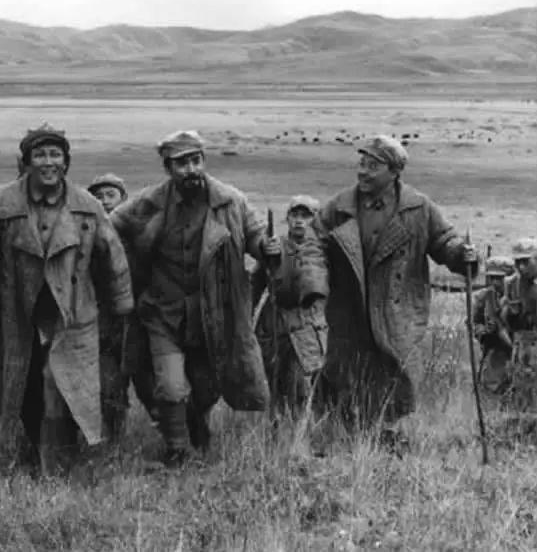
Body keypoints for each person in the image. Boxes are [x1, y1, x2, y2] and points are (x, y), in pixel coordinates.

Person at [0, 123, 134, 475]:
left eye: (55, 155)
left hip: (72, 316)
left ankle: (56, 463)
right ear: (27, 162)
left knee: (61, 385)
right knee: (25, 386)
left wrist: (122, 305)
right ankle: (35, 450)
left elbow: (113, 256)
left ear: (66, 162)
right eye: (40, 155)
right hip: (18, 316)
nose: (48, 162)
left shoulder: (87, 205)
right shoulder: (1, 202)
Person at [110, 130, 281, 466]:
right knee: (171, 386)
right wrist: (121, 265)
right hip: (161, 312)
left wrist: (267, 248)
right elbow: (109, 228)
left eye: (195, 160)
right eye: (181, 163)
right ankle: (178, 450)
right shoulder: (147, 203)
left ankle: (194, 425)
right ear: (167, 168)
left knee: (206, 387)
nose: (191, 169)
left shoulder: (230, 201)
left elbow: (256, 235)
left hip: (212, 314)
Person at [316, 135, 477, 445]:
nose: (362, 171)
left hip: (397, 312)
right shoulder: (339, 207)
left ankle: (385, 438)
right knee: (345, 374)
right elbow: (315, 243)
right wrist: (313, 282)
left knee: (393, 375)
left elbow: (444, 241)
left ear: (394, 171)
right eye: (361, 163)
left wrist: (461, 255)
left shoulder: (419, 208)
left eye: (372, 166)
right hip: (350, 310)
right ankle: (348, 440)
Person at [251, 195, 329, 421]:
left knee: (302, 386)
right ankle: (276, 431)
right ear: (287, 218)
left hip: (308, 327)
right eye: (295, 214)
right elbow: (255, 284)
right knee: (274, 384)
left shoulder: (323, 251)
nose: (299, 220)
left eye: (306, 215)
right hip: (273, 326)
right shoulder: (275, 247)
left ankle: (303, 433)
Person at [88, 172, 131, 441]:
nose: (104, 201)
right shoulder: (87, 232)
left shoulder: (135, 230)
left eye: (110, 195)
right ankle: (112, 438)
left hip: (134, 316)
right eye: (98, 196)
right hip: (101, 317)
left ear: (123, 199)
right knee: (109, 379)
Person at [500, 240, 537, 412]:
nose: (521, 267)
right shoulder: (511, 284)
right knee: (521, 391)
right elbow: (503, 318)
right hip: (521, 346)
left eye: (526, 261)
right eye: (518, 262)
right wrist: (509, 312)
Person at [473, 255, 515, 394]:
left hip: (519, 348)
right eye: (492, 278)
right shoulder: (484, 297)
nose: (496, 282)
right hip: (496, 349)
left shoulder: (521, 295)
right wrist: (484, 331)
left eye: (500, 278)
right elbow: (474, 322)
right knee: (492, 388)